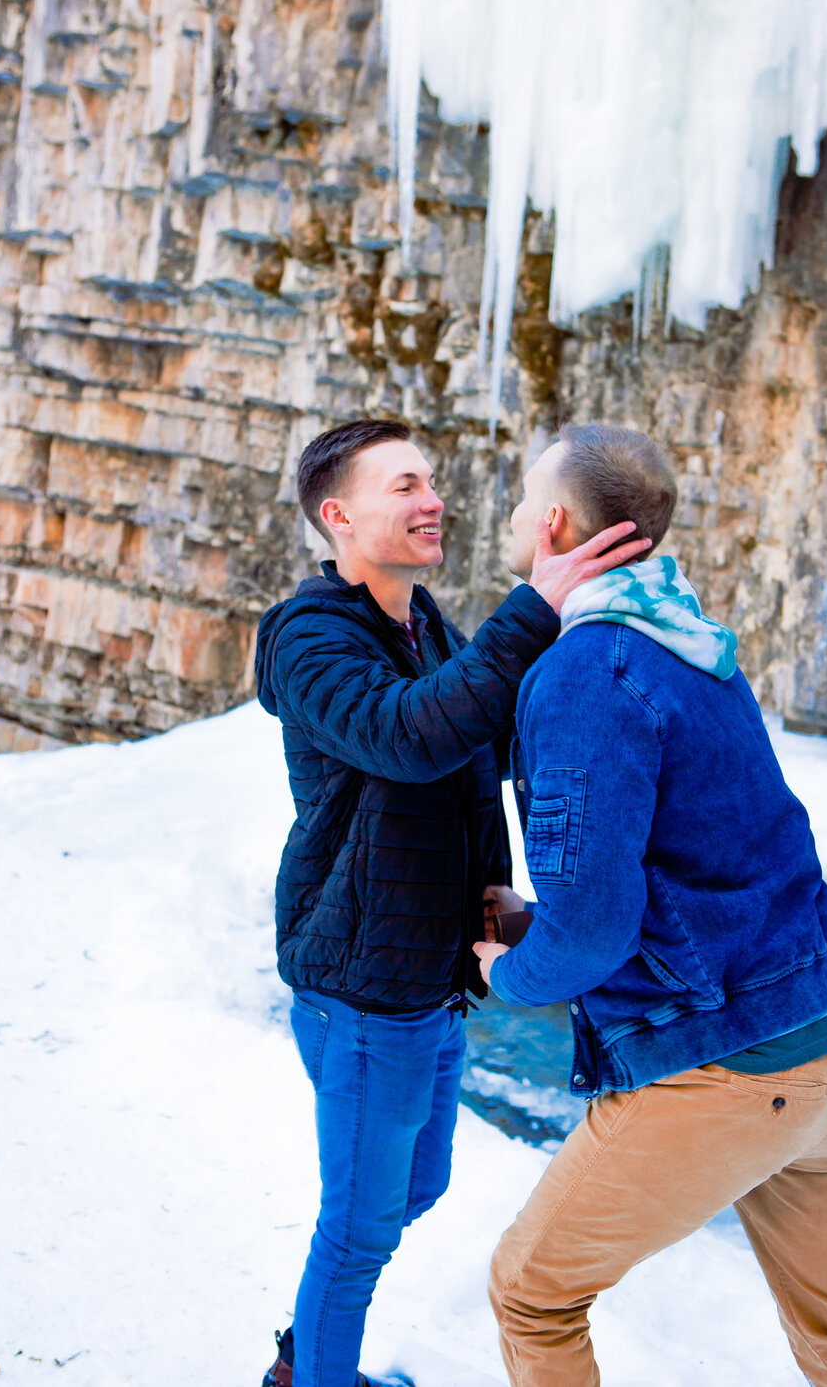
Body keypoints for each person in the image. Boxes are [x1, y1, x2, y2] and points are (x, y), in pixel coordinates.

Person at [474, 422, 827, 1387]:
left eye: (523, 496)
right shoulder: (691, 640)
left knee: (532, 1291)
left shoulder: (585, 670)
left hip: (729, 1072)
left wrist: (511, 968)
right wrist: (536, 916)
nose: (515, 512)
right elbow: (692, 865)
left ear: (553, 523)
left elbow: (596, 927)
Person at [253, 418, 649, 1387]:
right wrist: (533, 607)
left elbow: (485, 743)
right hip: (362, 983)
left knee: (412, 1189)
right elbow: (410, 735)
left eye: (430, 480)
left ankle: (313, 1356)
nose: (433, 499)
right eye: (403, 486)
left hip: (428, 975)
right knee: (356, 1228)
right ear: (337, 517)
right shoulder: (309, 636)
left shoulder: (424, 621)